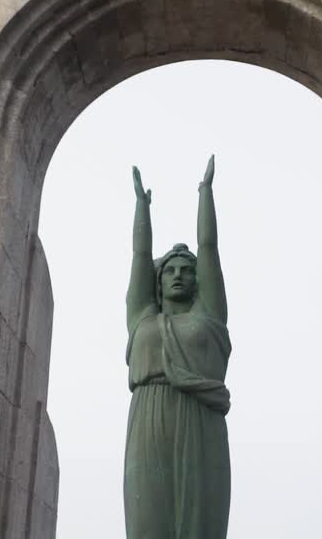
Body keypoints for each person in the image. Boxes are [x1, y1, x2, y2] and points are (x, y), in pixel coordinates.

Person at [124, 156, 232, 539]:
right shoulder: (142, 316)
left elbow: (209, 247)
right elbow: (140, 258)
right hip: (148, 418)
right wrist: (142, 207)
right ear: (157, 281)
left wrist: (205, 192)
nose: (178, 275)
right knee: (147, 522)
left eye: (186, 270)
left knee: (200, 523)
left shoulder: (209, 315)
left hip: (200, 419)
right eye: (169, 270)